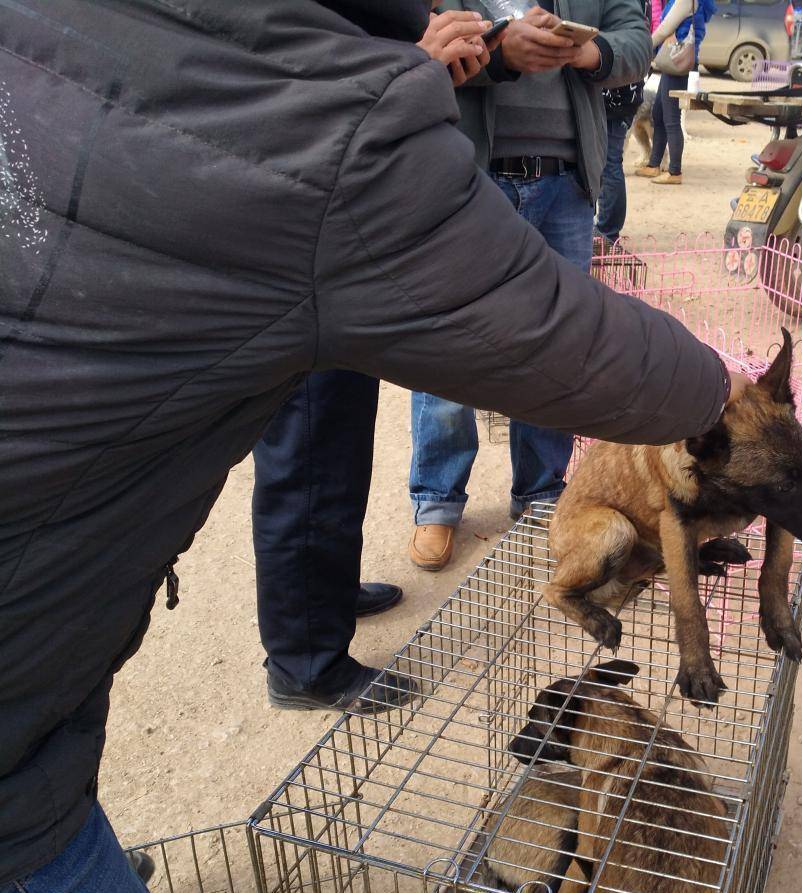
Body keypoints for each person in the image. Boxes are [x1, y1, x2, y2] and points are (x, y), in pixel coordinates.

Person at [0, 0, 747, 888]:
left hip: (48, 589)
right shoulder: (332, 124)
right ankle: (306, 660)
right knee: (310, 459)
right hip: (20, 703)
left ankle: (309, 628)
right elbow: (559, 338)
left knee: (322, 461)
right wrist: (731, 403)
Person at [250, 10, 504, 715]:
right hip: (300, 237)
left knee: (338, 443)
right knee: (307, 452)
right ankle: (303, 663)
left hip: (343, 237)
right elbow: (286, 87)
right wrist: (411, 66)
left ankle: (322, 598)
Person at [407, 0, 651, 573]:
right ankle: (438, 501)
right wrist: (499, 52)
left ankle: (541, 495)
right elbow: (416, 42)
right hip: (469, 177)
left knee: (558, 348)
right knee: (449, 342)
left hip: (565, 181)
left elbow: (636, 37)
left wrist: (591, 52)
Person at [636, 0, 714, 185]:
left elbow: (665, 28)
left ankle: (674, 171)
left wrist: (643, 47)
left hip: (678, 63)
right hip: (674, 61)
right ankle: (654, 164)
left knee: (671, 119)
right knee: (658, 114)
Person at [595, 1, 651, 247]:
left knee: (608, 164)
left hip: (615, 94)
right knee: (607, 163)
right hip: (623, 92)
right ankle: (605, 228)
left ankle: (607, 231)